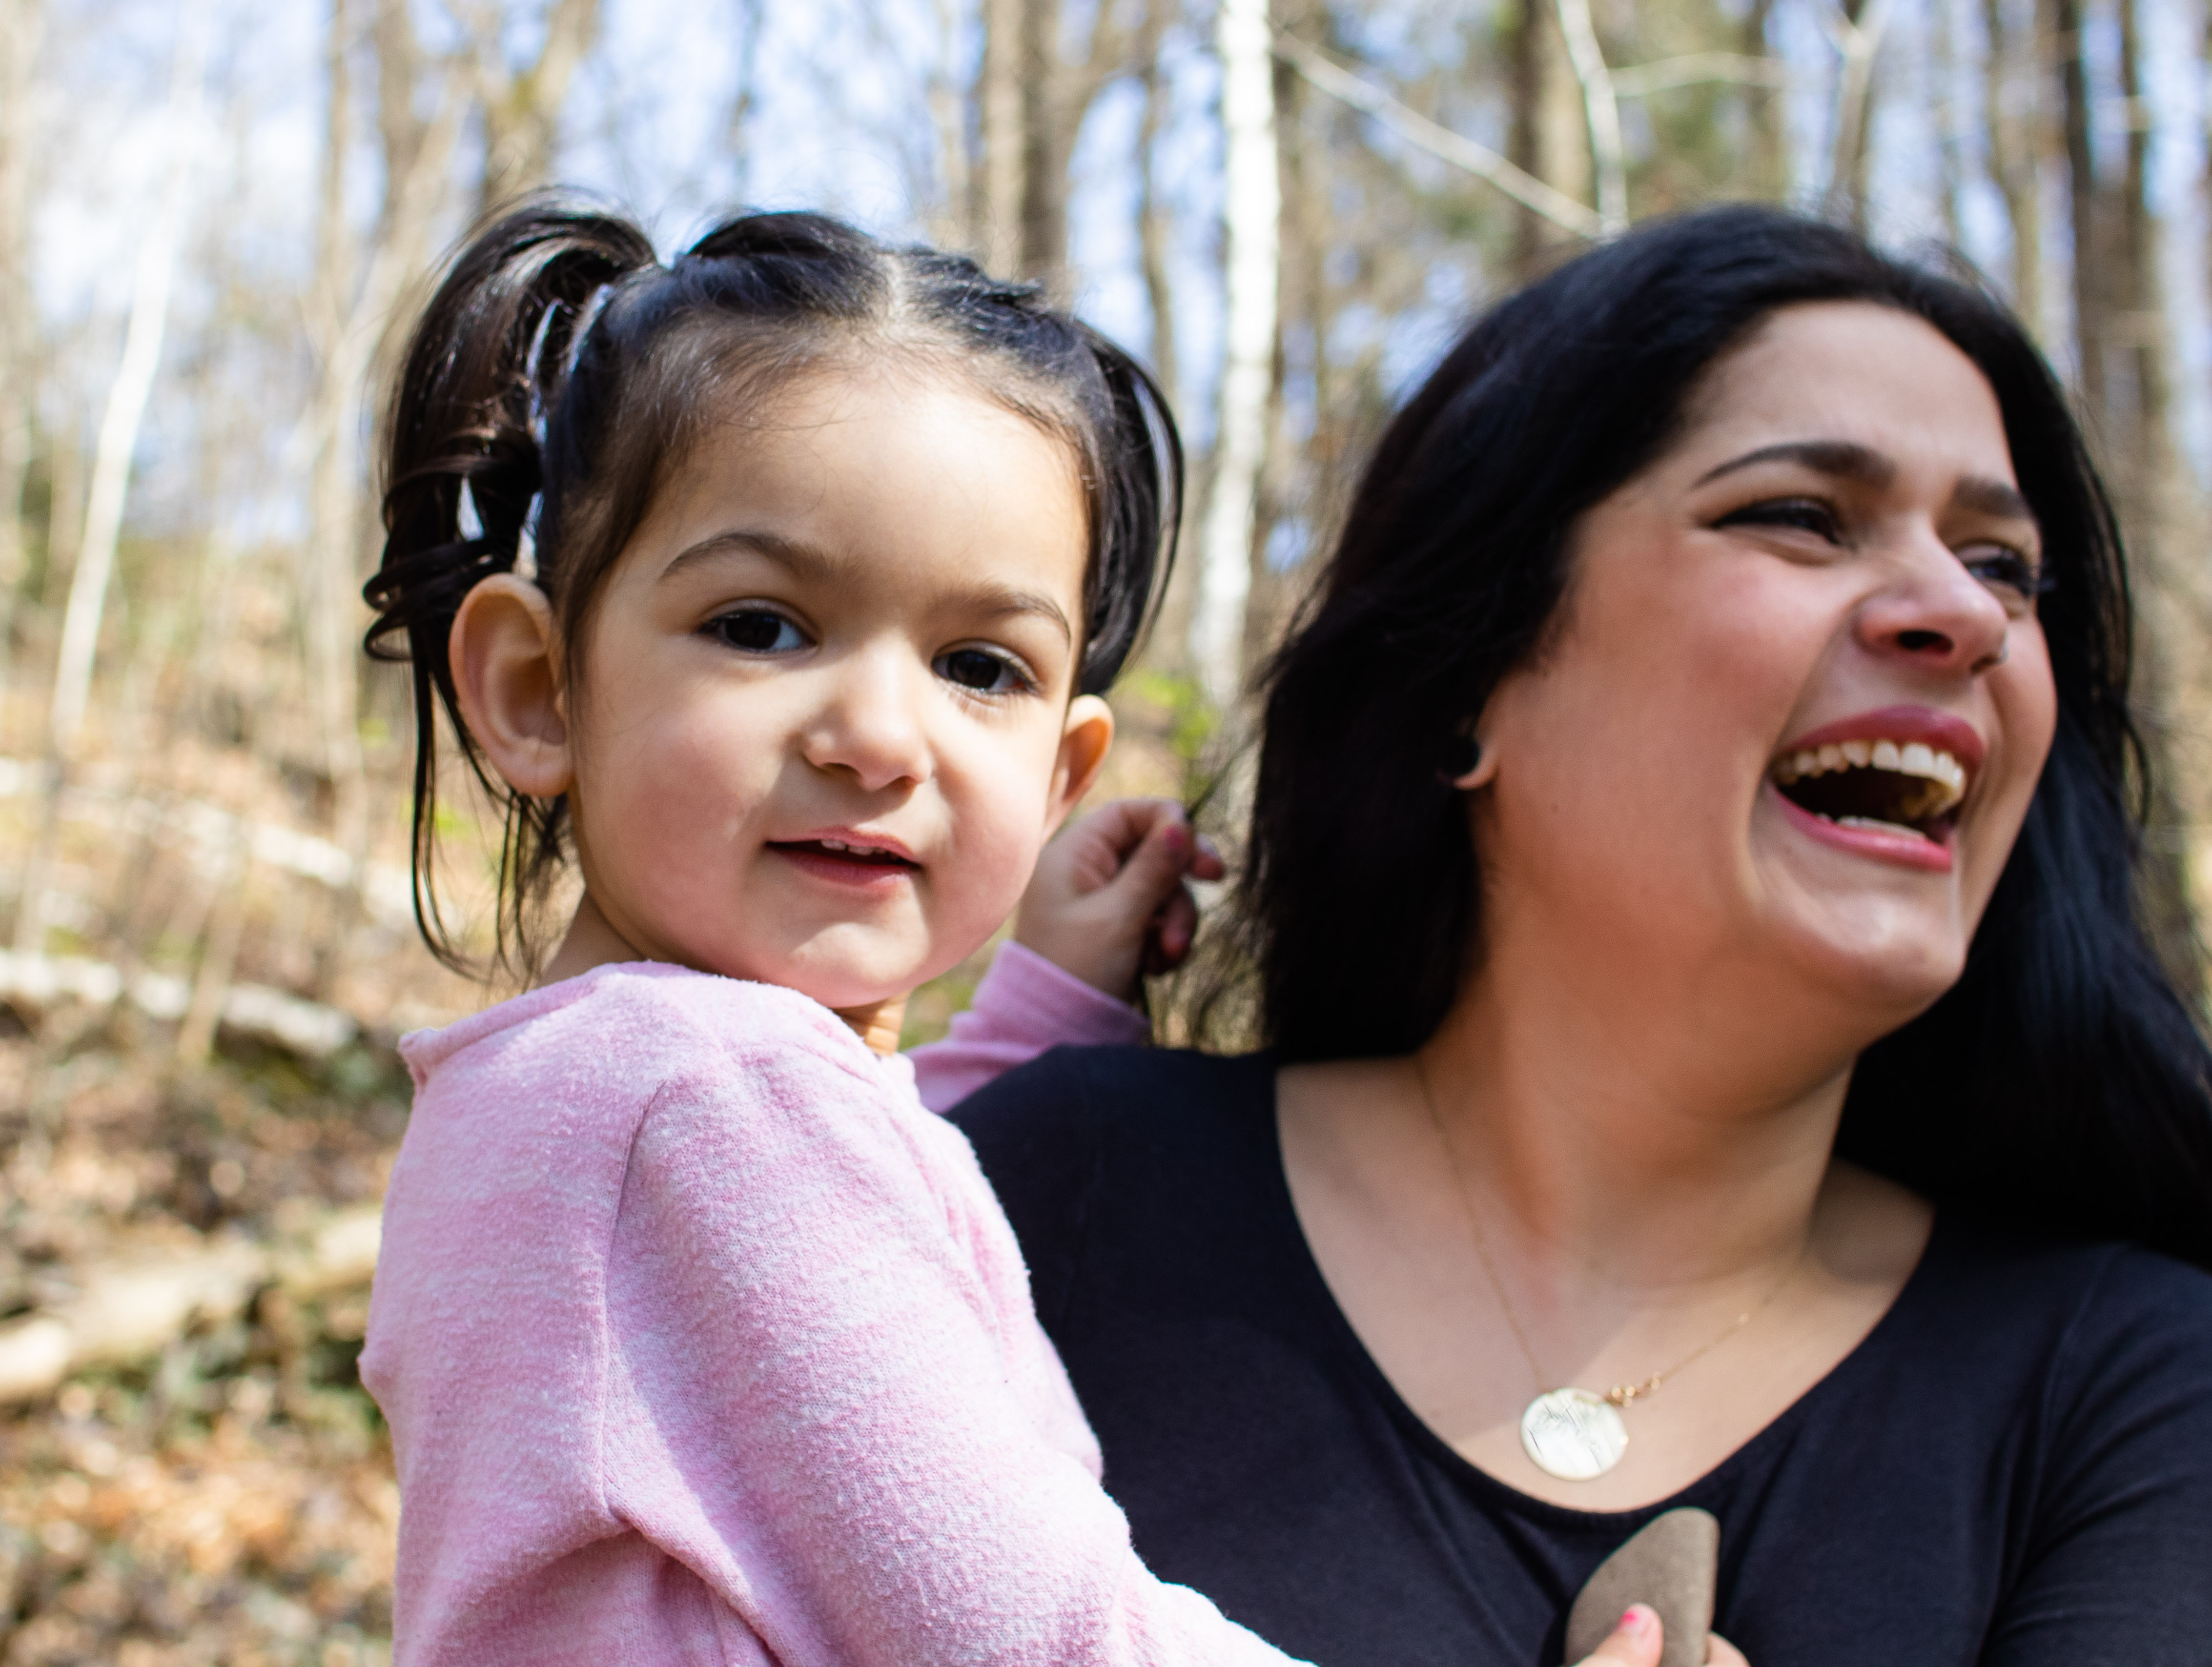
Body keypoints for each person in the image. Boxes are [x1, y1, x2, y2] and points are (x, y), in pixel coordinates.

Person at [349, 197, 1692, 1667]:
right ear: (538, 689)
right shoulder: (695, 1102)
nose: (877, 737)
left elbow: (840, 1249)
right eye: (759, 626)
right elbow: (1038, 1638)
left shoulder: (618, 1097)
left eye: (979, 667)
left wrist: (1032, 1020)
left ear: (1060, 774)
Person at [954, 205, 2212, 1667]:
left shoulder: (2138, 1390)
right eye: (1801, 515)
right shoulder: (1056, 1198)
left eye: (2006, 565)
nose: (1963, 614)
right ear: (1471, 682)